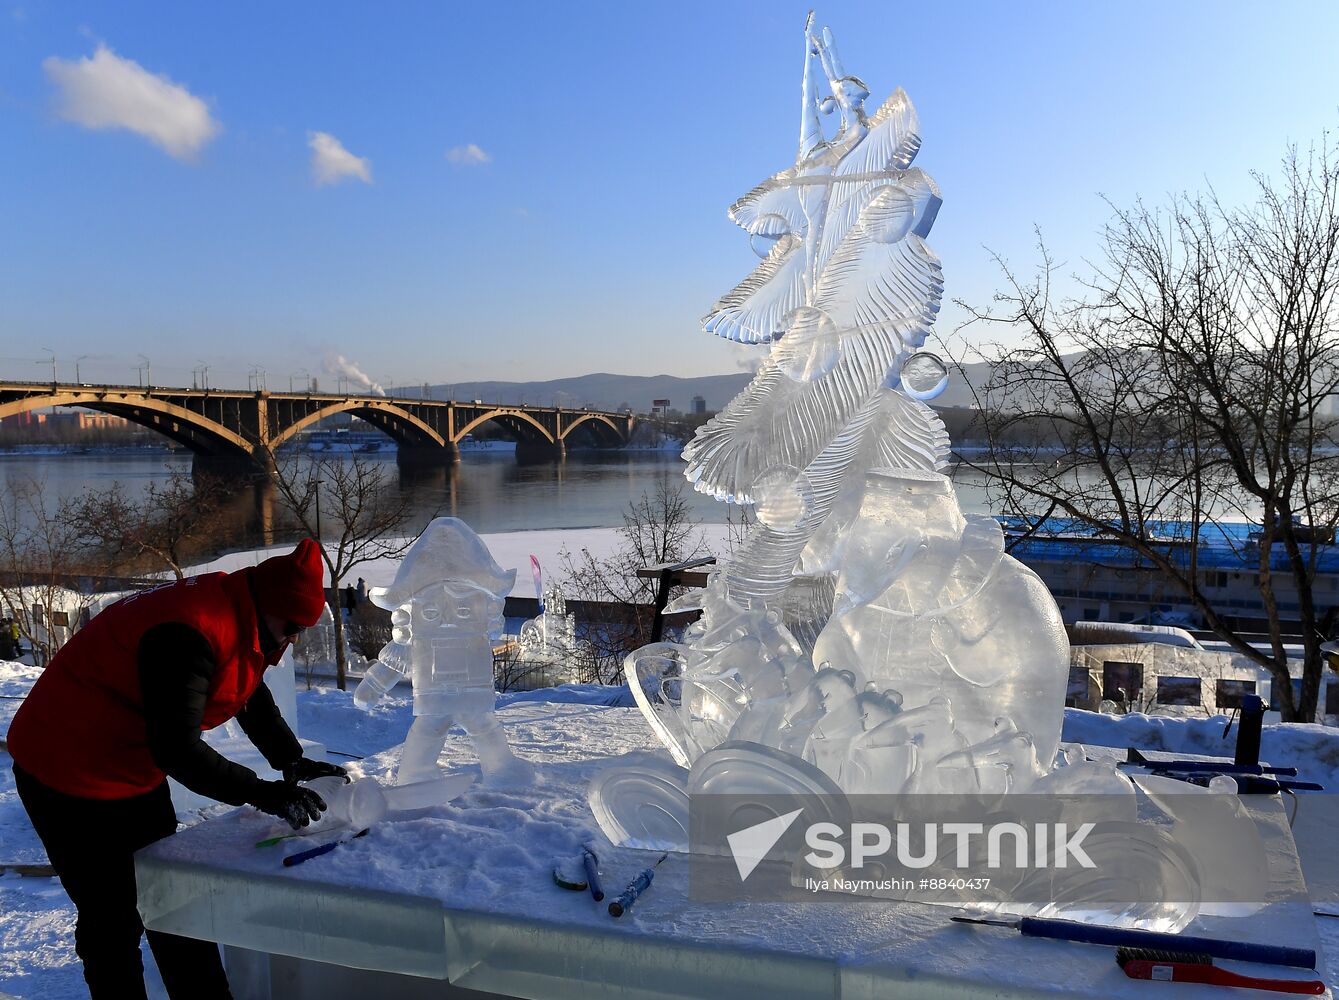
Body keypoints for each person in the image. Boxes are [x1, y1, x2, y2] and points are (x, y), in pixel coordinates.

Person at [7, 538, 348, 1000]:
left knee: (173, 897)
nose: (291, 641)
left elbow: (243, 683)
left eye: (300, 632)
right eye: (290, 627)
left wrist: (290, 760)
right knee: (112, 915)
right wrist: (267, 794)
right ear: (269, 606)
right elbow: (178, 751)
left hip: (129, 761)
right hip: (65, 766)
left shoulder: (245, 613)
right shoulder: (187, 632)